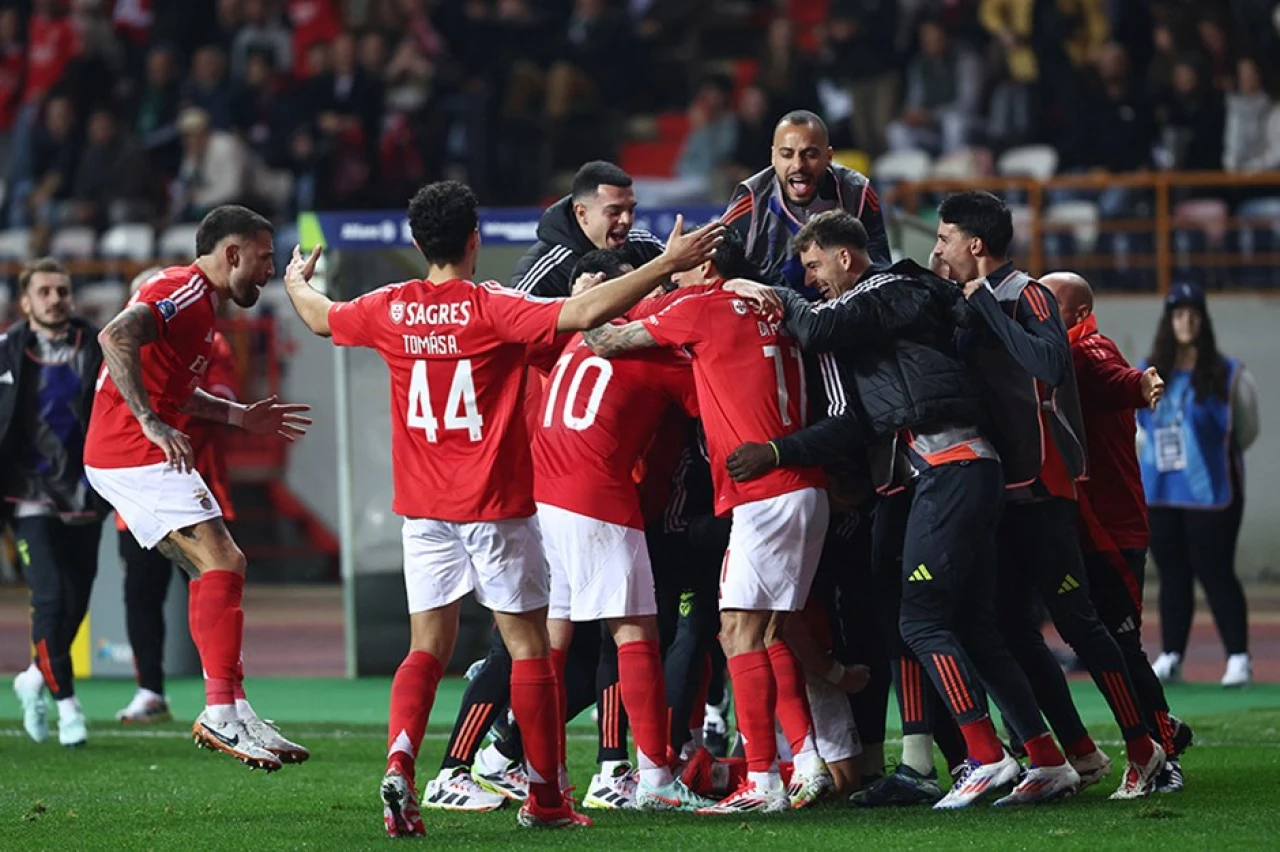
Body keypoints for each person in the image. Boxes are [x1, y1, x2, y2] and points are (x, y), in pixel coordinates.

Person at [280, 179, 725, 835]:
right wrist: (664, 265)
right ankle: (546, 799)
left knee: (425, 649)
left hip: (422, 512)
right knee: (527, 651)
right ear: (473, 240)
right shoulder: (493, 307)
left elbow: (319, 316)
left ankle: (402, 762)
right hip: (494, 506)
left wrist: (294, 278)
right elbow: (578, 316)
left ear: (416, 241)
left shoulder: (391, 306)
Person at [724, 210, 1076, 809]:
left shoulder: (887, 287)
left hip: (951, 467)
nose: (811, 281)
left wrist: (768, 291)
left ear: (844, 256)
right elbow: (852, 422)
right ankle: (1050, 760)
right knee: (973, 627)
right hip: (961, 467)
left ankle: (987, 756)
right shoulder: (886, 319)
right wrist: (781, 451)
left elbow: (812, 327)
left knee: (920, 621)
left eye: (813, 266)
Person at [582, 242, 832, 816]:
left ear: (709, 268)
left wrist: (580, 298)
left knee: (735, 634)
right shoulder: (776, 307)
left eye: (683, 264)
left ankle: (763, 782)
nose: (674, 275)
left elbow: (602, 338)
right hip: (806, 486)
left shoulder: (702, 306)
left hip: (761, 494)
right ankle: (810, 763)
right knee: (769, 632)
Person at [934, 190, 1165, 799]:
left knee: (1083, 627)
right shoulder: (968, 303)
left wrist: (983, 305)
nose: (937, 247)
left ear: (975, 245)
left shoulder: (1028, 294)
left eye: (944, 237)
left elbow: (1048, 363)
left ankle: (1146, 752)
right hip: (1000, 490)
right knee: (1006, 623)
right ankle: (1072, 756)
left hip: (1043, 486)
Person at [83, 205, 314, 773]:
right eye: (262, 259)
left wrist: (238, 417)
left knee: (215, 568)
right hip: (130, 451)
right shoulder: (184, 290)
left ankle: (233, 705)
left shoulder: (200, 305)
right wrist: (149, 422)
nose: (266, 271)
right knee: (222, 559)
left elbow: (177, 390)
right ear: (231, 253)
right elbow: (114, 336)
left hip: (129, 451)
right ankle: (220, 710)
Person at [535, 250, 714, 811]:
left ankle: (548, 775)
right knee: (636, 634)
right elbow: (709, 397)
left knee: (551, 644)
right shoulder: (652, 348)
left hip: (544, 496)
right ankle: (656, 779)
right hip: (597, 495)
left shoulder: (575, 335)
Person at [1044, 271, 1194, 794]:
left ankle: (1164, 757)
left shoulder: (1088, 350)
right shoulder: (1057, 353)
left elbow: (1117, 378)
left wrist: (1141, 383)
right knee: (1101, 640)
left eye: (1051, 304)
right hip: (1086, 523)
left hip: (1113, 527)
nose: (1040, 312)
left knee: (1121, 644)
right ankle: (1164, 728)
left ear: (1079, 314)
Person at [113, 267, 239, 725]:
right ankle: (150, 690)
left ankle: (222, 692)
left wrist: (158, 410)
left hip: (198, 489)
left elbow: (218, 398)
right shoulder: (124, 359)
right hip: (140, 496)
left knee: (214, 587)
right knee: (141, 595)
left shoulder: (210, 344)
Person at [1, 258, 105, 748]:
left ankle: (34, 677)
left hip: (85, 491)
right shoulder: (7, 352)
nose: (55, 298)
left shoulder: (99, 346)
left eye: (61, 290)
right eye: (44, 291)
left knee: (77, 603)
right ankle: (69, 708)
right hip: (27, 494)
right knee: (50, 598)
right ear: (25, 303)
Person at [1139, 281, 1258, 688]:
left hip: (1212, 493)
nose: (1185, 321)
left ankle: (1239, 658)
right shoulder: (1149, 371)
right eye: (1177, 314)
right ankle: (1171, 655)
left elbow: (1246, 429)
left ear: (1203, 321)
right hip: (1161, 491)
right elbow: (1138, 429)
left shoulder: (1229, 374)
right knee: (1172, 575)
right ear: (1167, 321)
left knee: (1216, 572)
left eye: (1192, 314)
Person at [722, 109, 890, 295]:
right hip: (770, 316)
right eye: (787, 154)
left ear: (829, 157)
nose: (798, 165)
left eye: (810, 154)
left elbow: (879, 271)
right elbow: (717, 272)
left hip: (844, 313)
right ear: (773, 157)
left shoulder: (857, 192)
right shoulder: (751, 201)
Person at [510, 160, 666, 297]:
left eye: (630, 210)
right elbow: (514, 324)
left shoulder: (644, 246)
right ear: (582, 213)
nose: (626, 220)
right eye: (614, 212)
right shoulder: (546, 272)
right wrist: (575, 308)